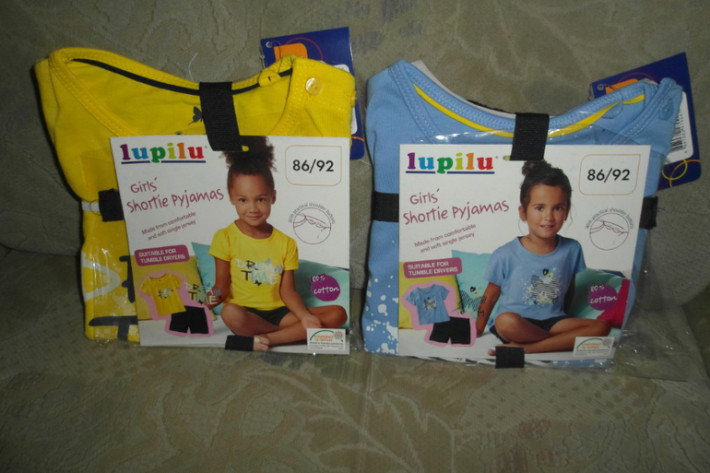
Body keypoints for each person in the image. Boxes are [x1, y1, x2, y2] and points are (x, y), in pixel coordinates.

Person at [205, 137, 347, 351]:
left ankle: (268, 339)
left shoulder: (286, 243)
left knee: (338, 313)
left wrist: (305, 317)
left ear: (273, 197)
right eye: (243, 200)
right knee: (229, 313)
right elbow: (220, 288)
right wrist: (201, 307)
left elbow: (288, 292)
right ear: (232, 198)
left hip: (281, 314)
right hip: (245, 313)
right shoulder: (224, 237)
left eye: (260, 199)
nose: (253, 208)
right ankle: (290, 335)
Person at [475, 160, 610, 355]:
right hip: (516, 321)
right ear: (523, 212)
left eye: (558, 208)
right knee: (504, 321)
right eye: (539, 208)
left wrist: (567, 319)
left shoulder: (572, 249)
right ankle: (556, 342)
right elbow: (491, 295)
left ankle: (526, 348)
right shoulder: (505, 253)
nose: (548, 217)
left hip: (553, 321)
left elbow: (569, 288)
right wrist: (478, 328)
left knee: (602, 327)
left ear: (567, 211)